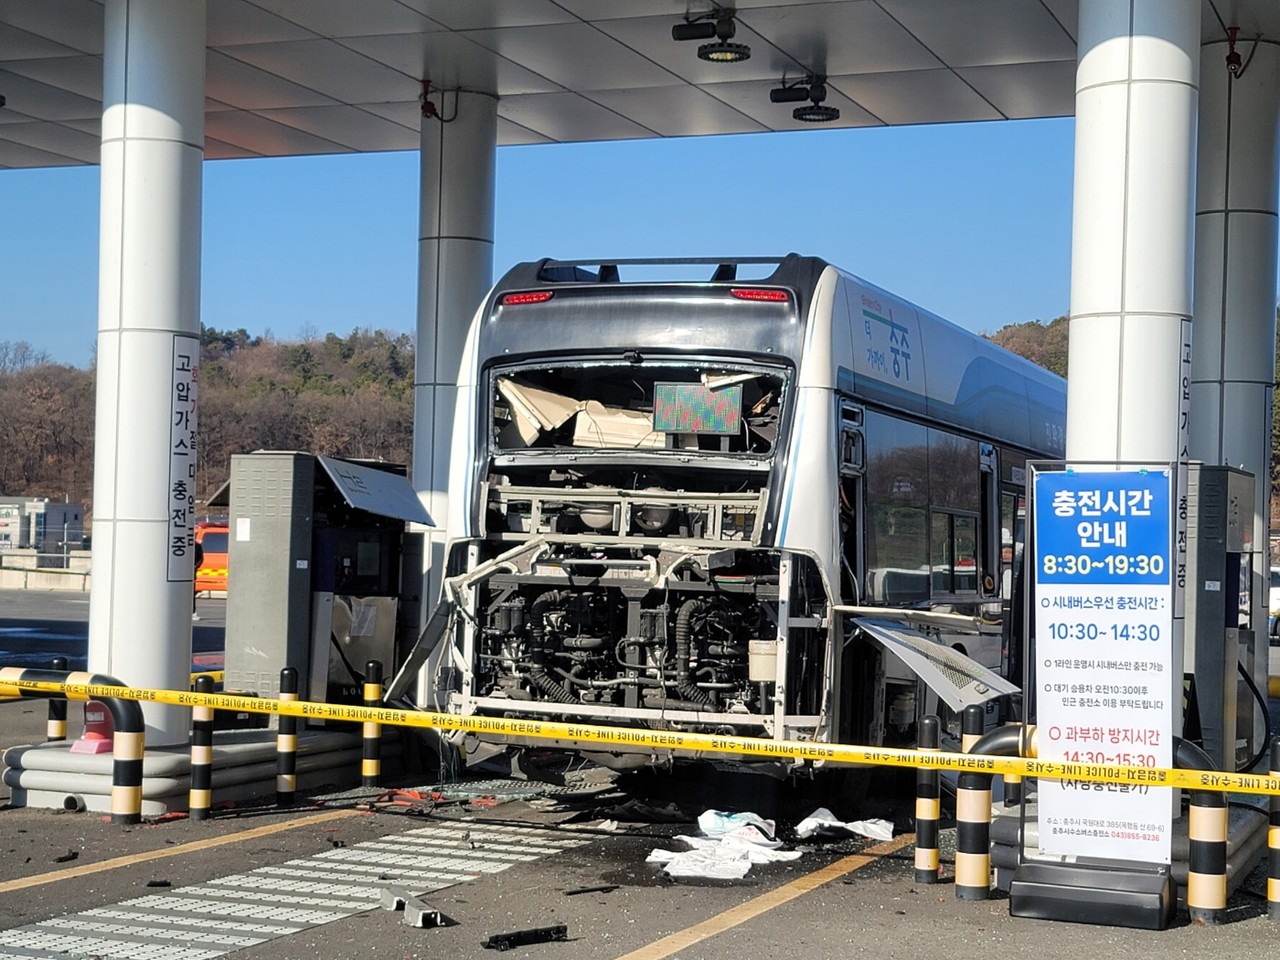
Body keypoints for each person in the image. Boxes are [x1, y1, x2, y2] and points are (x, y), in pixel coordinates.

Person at [192, 538, 204, 621]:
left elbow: (201, 558)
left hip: (192, 573)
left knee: (191, 594)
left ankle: (193, 612)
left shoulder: (197, 545)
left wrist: (196, 566)